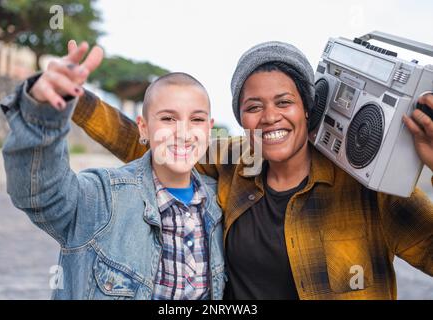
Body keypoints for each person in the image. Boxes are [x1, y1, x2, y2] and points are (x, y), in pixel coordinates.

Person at [26, 40, 433, 299]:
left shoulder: (369, 188)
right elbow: (154, 144)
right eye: (253, 107)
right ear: (240, 117)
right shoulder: (234, 164)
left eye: (284, 102)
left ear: (308, 109)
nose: (270, 117)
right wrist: (73, 98)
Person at [1, 42, 225, 300]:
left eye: (196, 120)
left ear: (209, 129)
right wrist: (42, 114)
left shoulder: (221, 204)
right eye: (167, 119)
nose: (183, 133)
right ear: (143, 128)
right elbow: (40, 193)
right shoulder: (102, 198)